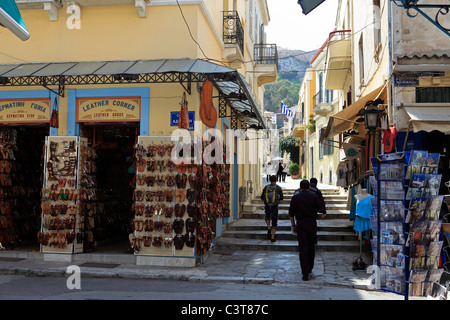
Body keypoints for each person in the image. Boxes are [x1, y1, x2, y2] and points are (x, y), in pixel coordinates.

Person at [289, 179, 325, 281]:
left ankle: (305, 273)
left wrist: (293, 225)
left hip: (301, 224)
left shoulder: (296, 197)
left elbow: (291, 214)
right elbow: (321, 209)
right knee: (311, 246)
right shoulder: (314, 196)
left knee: (303, 248)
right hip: (312, 224)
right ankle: (310, 268)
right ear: (309, 188)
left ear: (300, 188)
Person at [260, 175, 284, 242]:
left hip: (267, 205)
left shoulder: (266, 187)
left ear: (270, 180)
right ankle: (272, 237)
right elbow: (282, 197)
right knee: (274, 220)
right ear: (276, 180)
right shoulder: (278, 188)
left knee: (267, 217)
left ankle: (268, 228)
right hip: (274, 206)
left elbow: (262, 197)